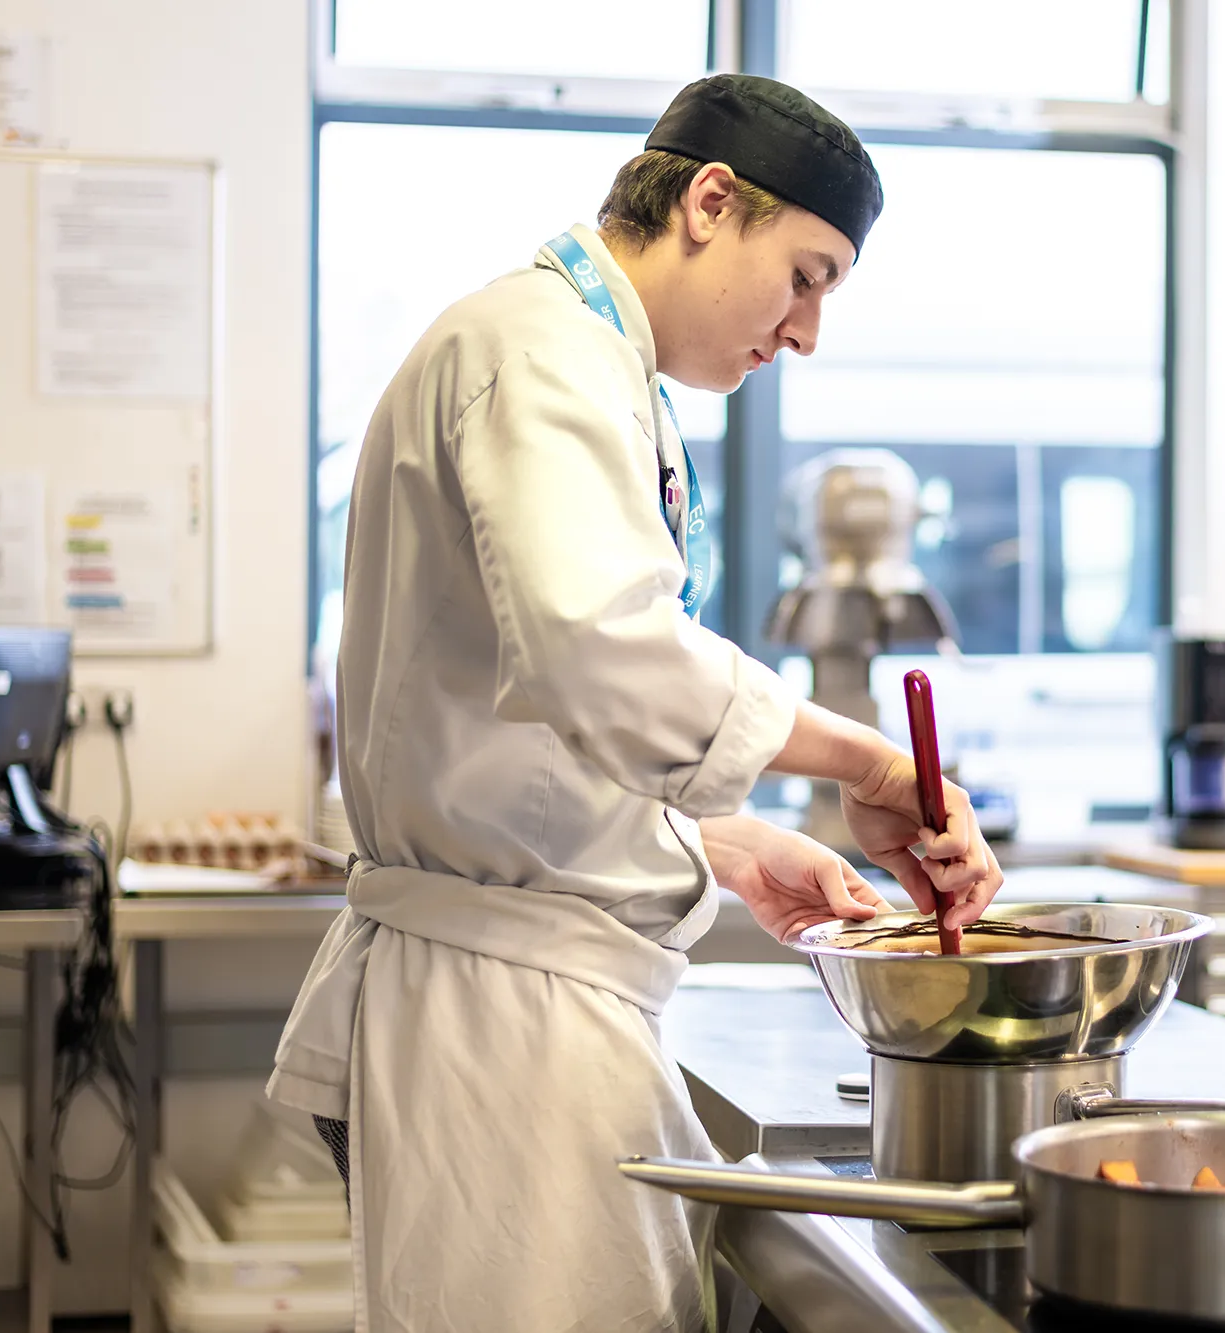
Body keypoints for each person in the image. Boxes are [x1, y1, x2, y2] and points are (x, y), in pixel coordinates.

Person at [268, 74, 1004, 1332]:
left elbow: (520, 740)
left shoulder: (586, 365)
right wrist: (867, 765)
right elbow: (592, 645)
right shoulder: (536, 349)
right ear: (710, 202)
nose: (804, 332)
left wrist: (718, 845)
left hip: (523, 990)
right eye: (807, 275)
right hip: (502, 1023)